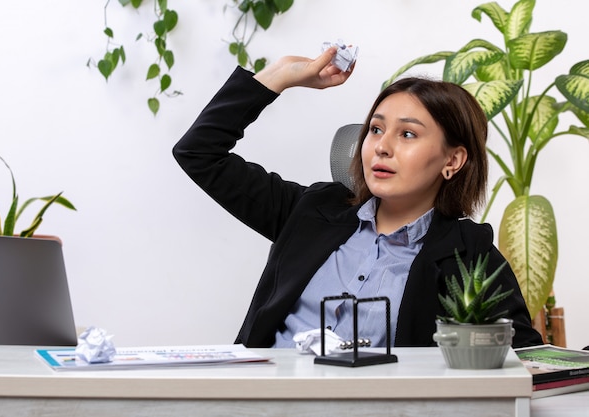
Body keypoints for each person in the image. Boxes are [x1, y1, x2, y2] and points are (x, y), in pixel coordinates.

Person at [173, 47, 544, 349]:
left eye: (408, 135)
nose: (381, 147)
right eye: (376, 129)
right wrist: (280, 76)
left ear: (452, 160)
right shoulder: (313, 211)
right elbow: (199, 153)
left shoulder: (469, 256)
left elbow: (526, 359)